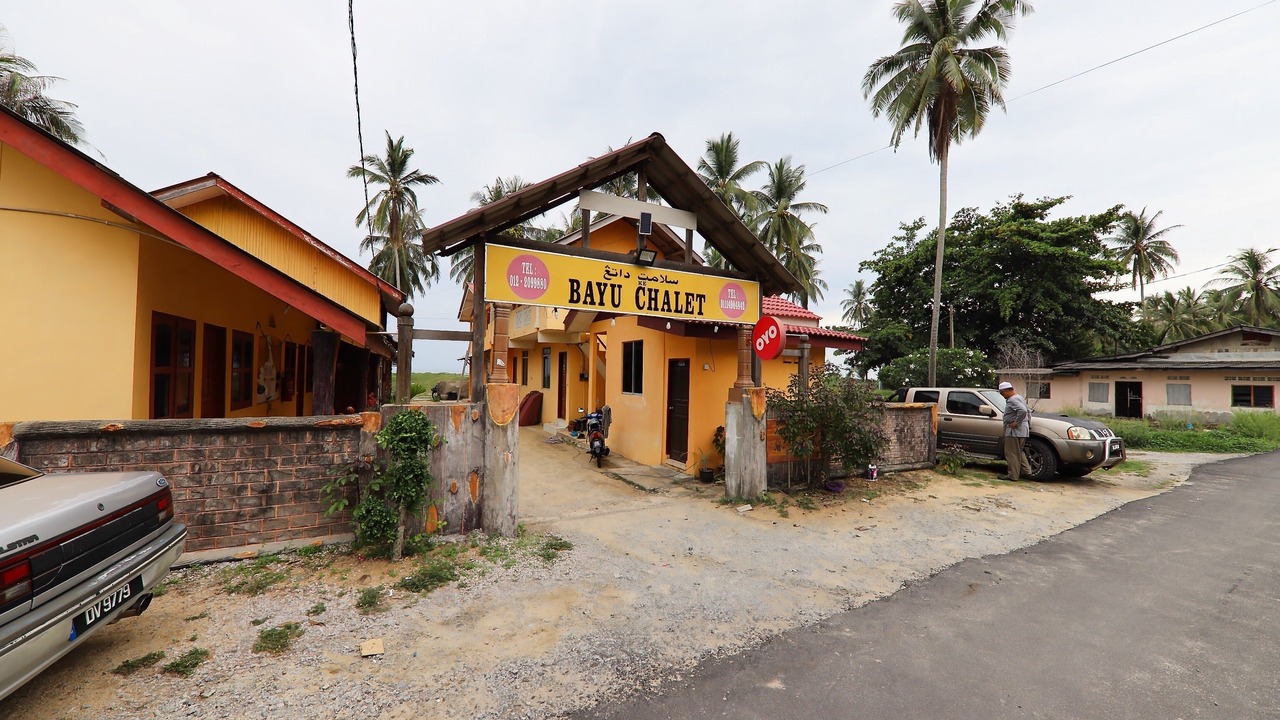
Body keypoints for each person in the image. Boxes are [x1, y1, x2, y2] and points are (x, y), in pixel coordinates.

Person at [998, 381, 1030, 481]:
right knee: (1019, 451)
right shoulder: (1020, 397)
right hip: (1023, 430)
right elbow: (1028, 411)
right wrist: (1027, 424)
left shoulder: (1012, 400)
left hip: (1014, 431)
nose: (1002, 395)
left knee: (1011, 453)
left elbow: (1023, 411)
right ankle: (1027, 471)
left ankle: (1012, 475)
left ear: (1006, 391)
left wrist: (1016, 423)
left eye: (1002, 393)